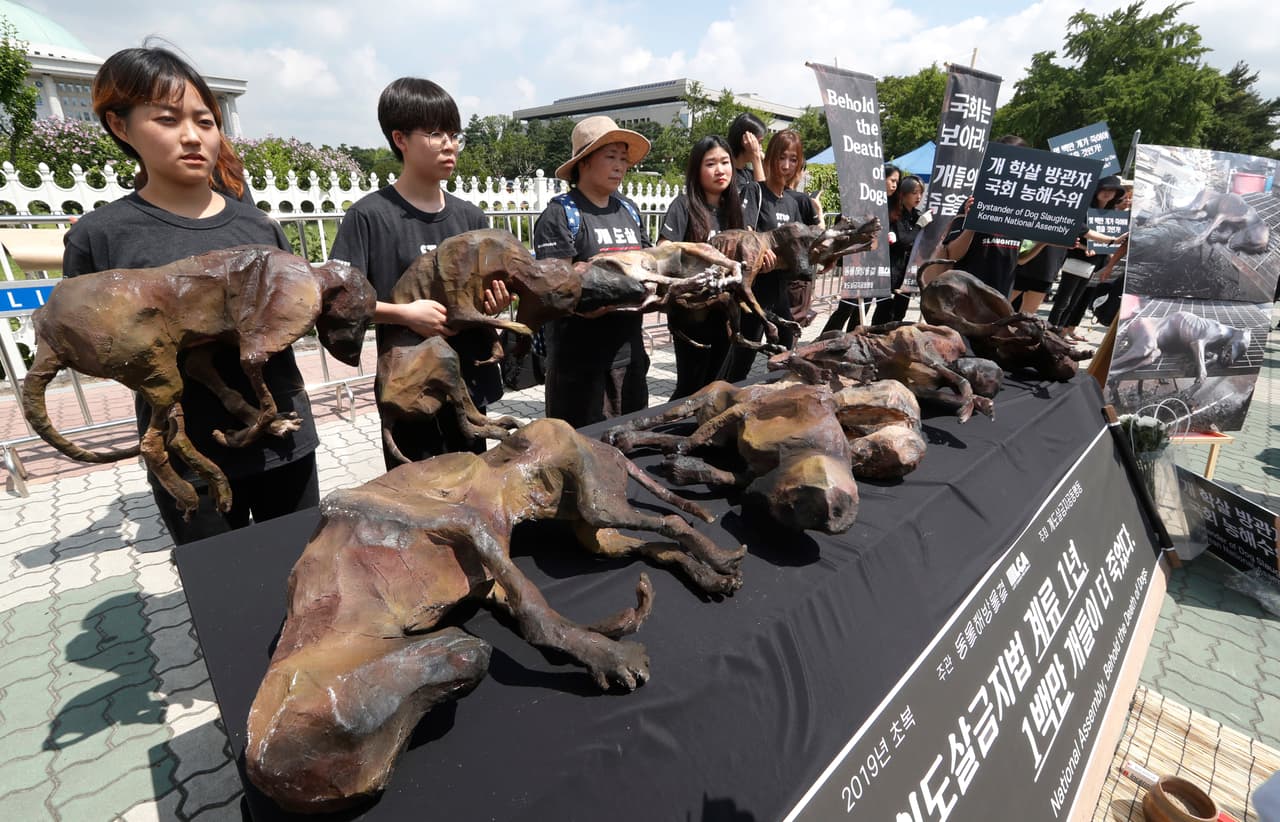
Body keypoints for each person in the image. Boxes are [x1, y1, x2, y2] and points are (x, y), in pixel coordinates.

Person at [62, 46, 319, 544]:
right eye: (167, 119)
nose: (192, 136)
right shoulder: (101, 237)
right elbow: (92, 344)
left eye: (205, 121)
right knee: (220, 583)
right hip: (187, 454)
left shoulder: (258, 226)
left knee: (301, 571)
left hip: (283, 442)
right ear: (120, 126)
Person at [329, 77, 510, 468]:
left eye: (454, 134)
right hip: (411, 391)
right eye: (435, 133)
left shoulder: (470, 218)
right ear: (400, 139)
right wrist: (404, 314)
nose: (449, 144)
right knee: (415, 493)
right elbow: (337, 301)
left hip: (467, 385)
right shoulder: (369, 217)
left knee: (473, 486)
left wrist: (492, 304)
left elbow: (481, 296)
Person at [532, 115, 652, 427]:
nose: (619, 166)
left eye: (623, 159)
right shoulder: (561, 215)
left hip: (629, 356)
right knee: (582, 444)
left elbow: (649, 263)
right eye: (610, 157)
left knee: (633, 439)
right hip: (579, 364)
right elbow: (556, 291)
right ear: (583, 162)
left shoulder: (629, 210)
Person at [721, 129, 820, 382]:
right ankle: (725, 399)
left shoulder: (793, 202)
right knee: (741, 361)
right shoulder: (754, 191)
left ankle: (773, 399)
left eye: (793, 159)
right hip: (753, 292)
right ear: (770, 157)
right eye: (781, 157)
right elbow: (745, 237)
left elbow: (799, 247)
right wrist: (761, 256)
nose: (786, 165)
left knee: (786, 356)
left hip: (780, 292)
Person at [659, 135, 746, 398]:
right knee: (690, 387)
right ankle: (672, 423)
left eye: (725, 162)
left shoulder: (734, 209)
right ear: (696, 169)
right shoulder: (683, 205)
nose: (720, 170)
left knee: (715, 384)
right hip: (692, 315)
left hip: (725, 313)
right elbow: (663, 250)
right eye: (710, 164)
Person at [936, 135, 1029, 297]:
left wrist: (1045, 242)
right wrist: (972, 223)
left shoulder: (1024, 209)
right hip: (966, 296)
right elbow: (952, 255)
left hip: (1000, 299)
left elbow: (1020, 258)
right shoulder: (974, 202)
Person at [823, 163, 900, 333]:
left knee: (862, 309)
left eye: (897, 182)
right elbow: (846, 222)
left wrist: (890, 235)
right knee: (847, 307)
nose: (894, 185)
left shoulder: (892, 206)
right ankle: (826, 339)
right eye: (892, 180)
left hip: (875, 264)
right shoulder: (863, 201)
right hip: (858, 261)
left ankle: (852, 339)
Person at [1048, 174, 1127, 340]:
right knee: (1064, 299)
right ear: (1097, 190)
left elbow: (1111, 243)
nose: (1107, 193)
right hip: (1077, 259)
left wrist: (1109, 253)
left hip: (1097, 262)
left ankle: (1061, 333)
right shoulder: (1083, 210)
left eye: (1112, 190)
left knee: (1077, 300)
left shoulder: (1112, 215)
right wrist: (1087, 247)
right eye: (1104, 189)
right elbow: (1078, 232)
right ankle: (1050, 332)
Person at [871, 175, 925, 324]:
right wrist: (919, 226)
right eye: (914, 193)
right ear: (903, 194)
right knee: (884, 312)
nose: (918, 197)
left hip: (908, 272)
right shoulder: (895, 214)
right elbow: (903, 241)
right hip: (891, 270)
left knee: (900, 312)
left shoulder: (917, 215)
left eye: (920, 193)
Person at [727, 112, 766, 228]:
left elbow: (765, 204)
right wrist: (756, 157)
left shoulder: (749, 174)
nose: (761, 148)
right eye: (759, 142)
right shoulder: (726, 174)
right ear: (746, 141)